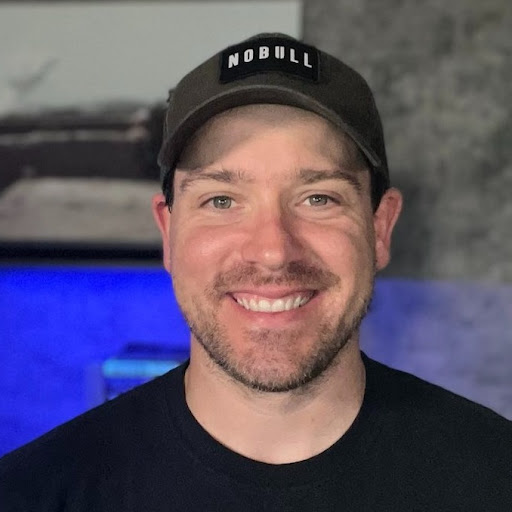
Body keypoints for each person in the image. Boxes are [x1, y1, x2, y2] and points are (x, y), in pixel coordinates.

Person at [1, 33, 511, 511]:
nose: (272, 251)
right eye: (221, 200)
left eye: (318, 198)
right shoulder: (31, 494)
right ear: (168, 233)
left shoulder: (495, 478)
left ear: (380, 228)